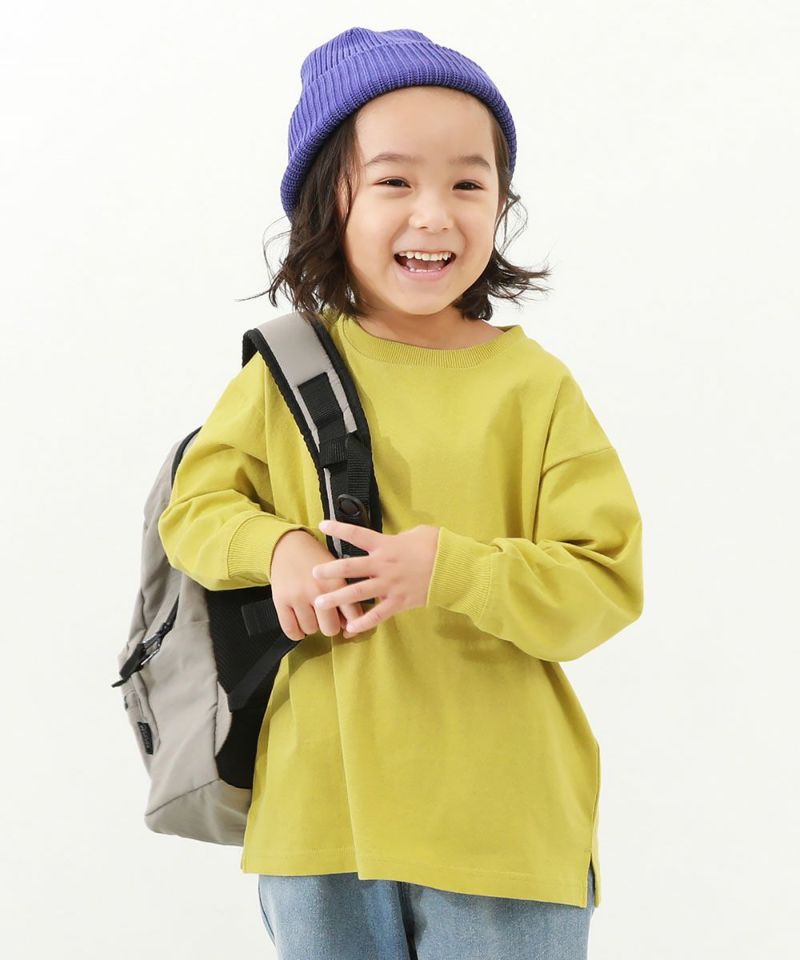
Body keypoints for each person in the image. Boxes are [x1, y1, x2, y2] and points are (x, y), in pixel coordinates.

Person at [157, 25, 644, 960]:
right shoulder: (285, 372)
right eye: (393, 182)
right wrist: (279, 548)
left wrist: (449, 571)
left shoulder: (533, 387)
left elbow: (605, 581)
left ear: (502, 202)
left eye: (468, 184)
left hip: (503, 826)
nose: (434, 215)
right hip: (320, 818)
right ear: (327, 202)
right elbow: (195, 512)